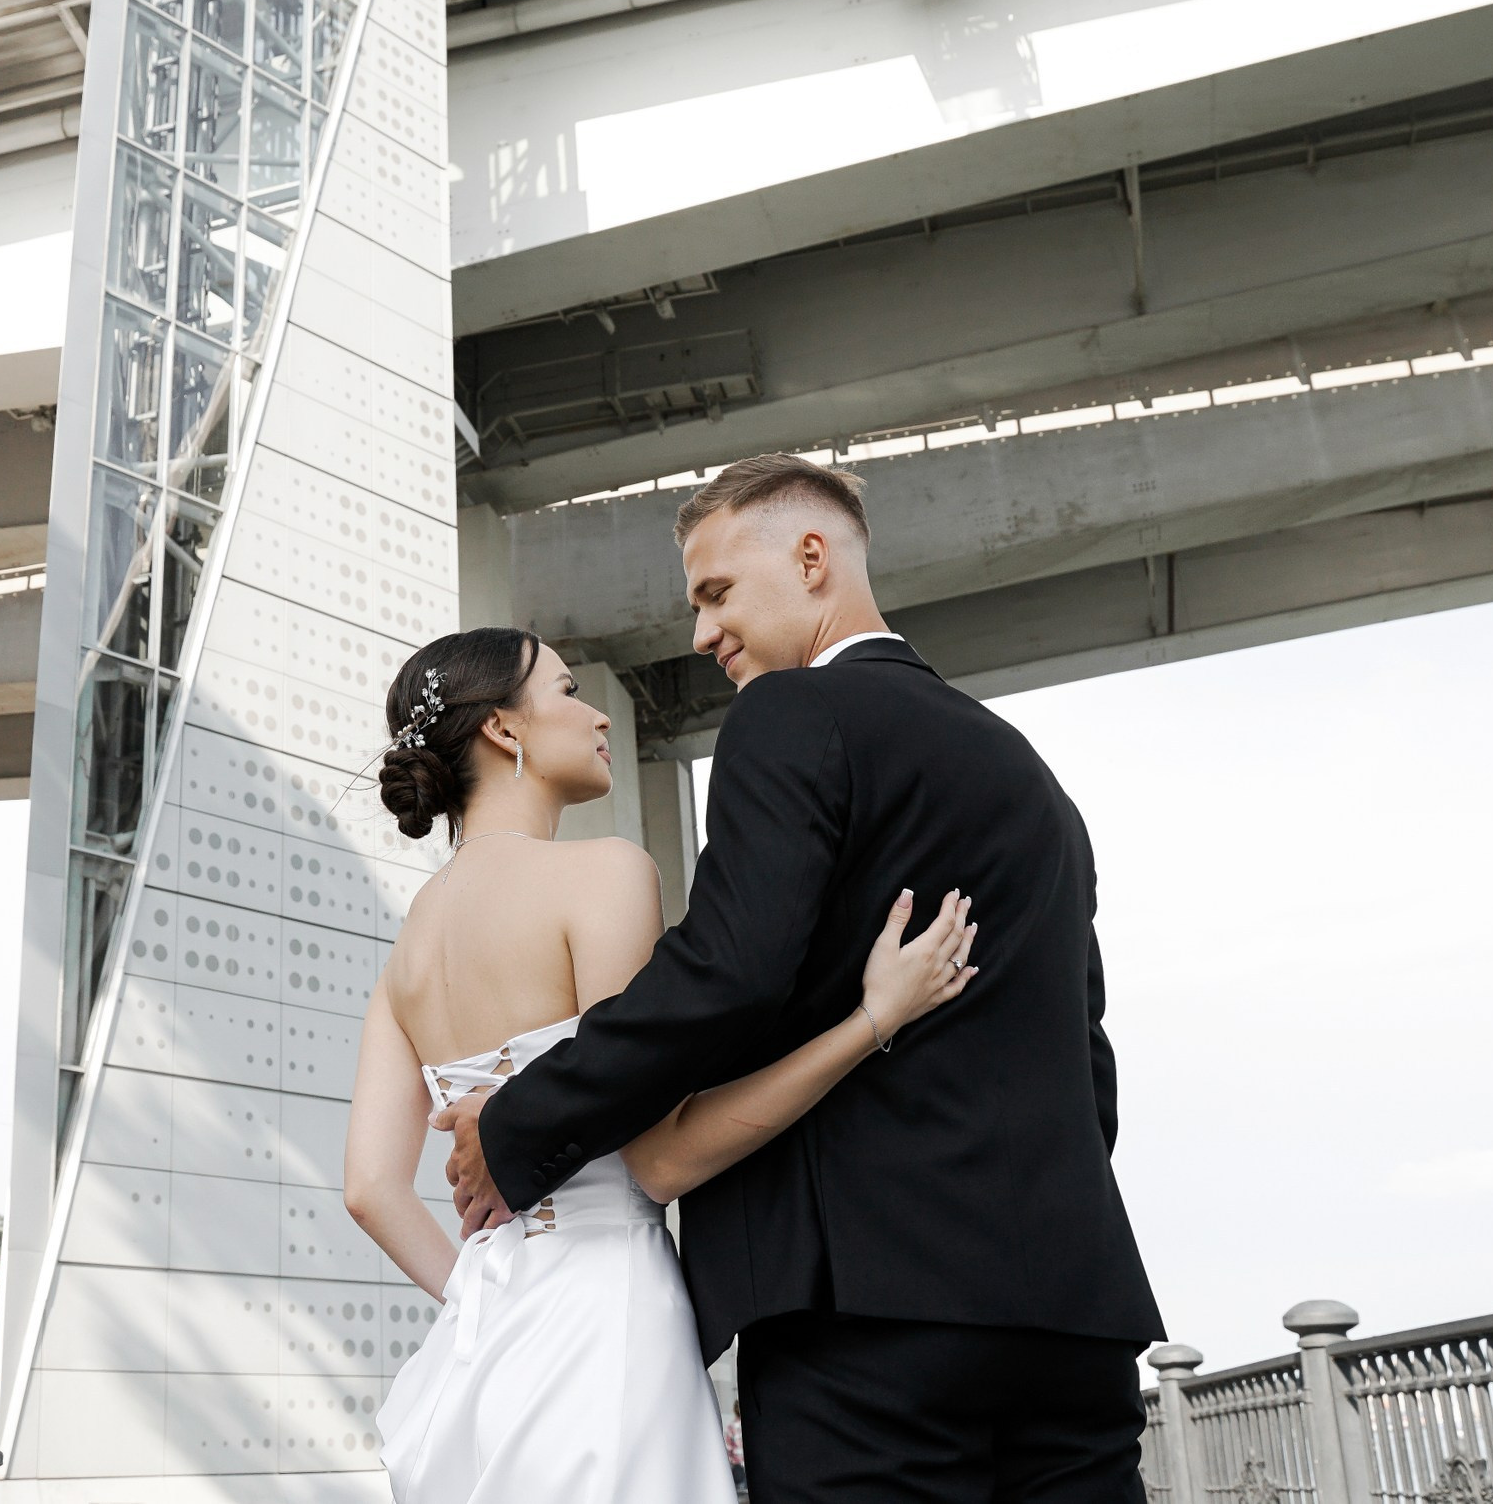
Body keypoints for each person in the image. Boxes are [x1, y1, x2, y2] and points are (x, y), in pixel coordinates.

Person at [435, 454, 1164, 1504]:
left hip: (864, 1315)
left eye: (716, 593)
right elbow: (1081, 1054)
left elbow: (730, 971)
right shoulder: (1027, 775)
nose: (701, 633)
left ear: (812, 559)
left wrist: (519, 1127)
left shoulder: (790, 717)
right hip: (1072, 1315)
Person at [343, 625, 978, 1502]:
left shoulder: (409, 948)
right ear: (503, 728)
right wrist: (872, 1019)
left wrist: (484, 1302)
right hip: (609, 1316)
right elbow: (663, 1153)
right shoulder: (603, 875)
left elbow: (370, 1189)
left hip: (482, 1342)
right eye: (568, 690)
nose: (599, 712)